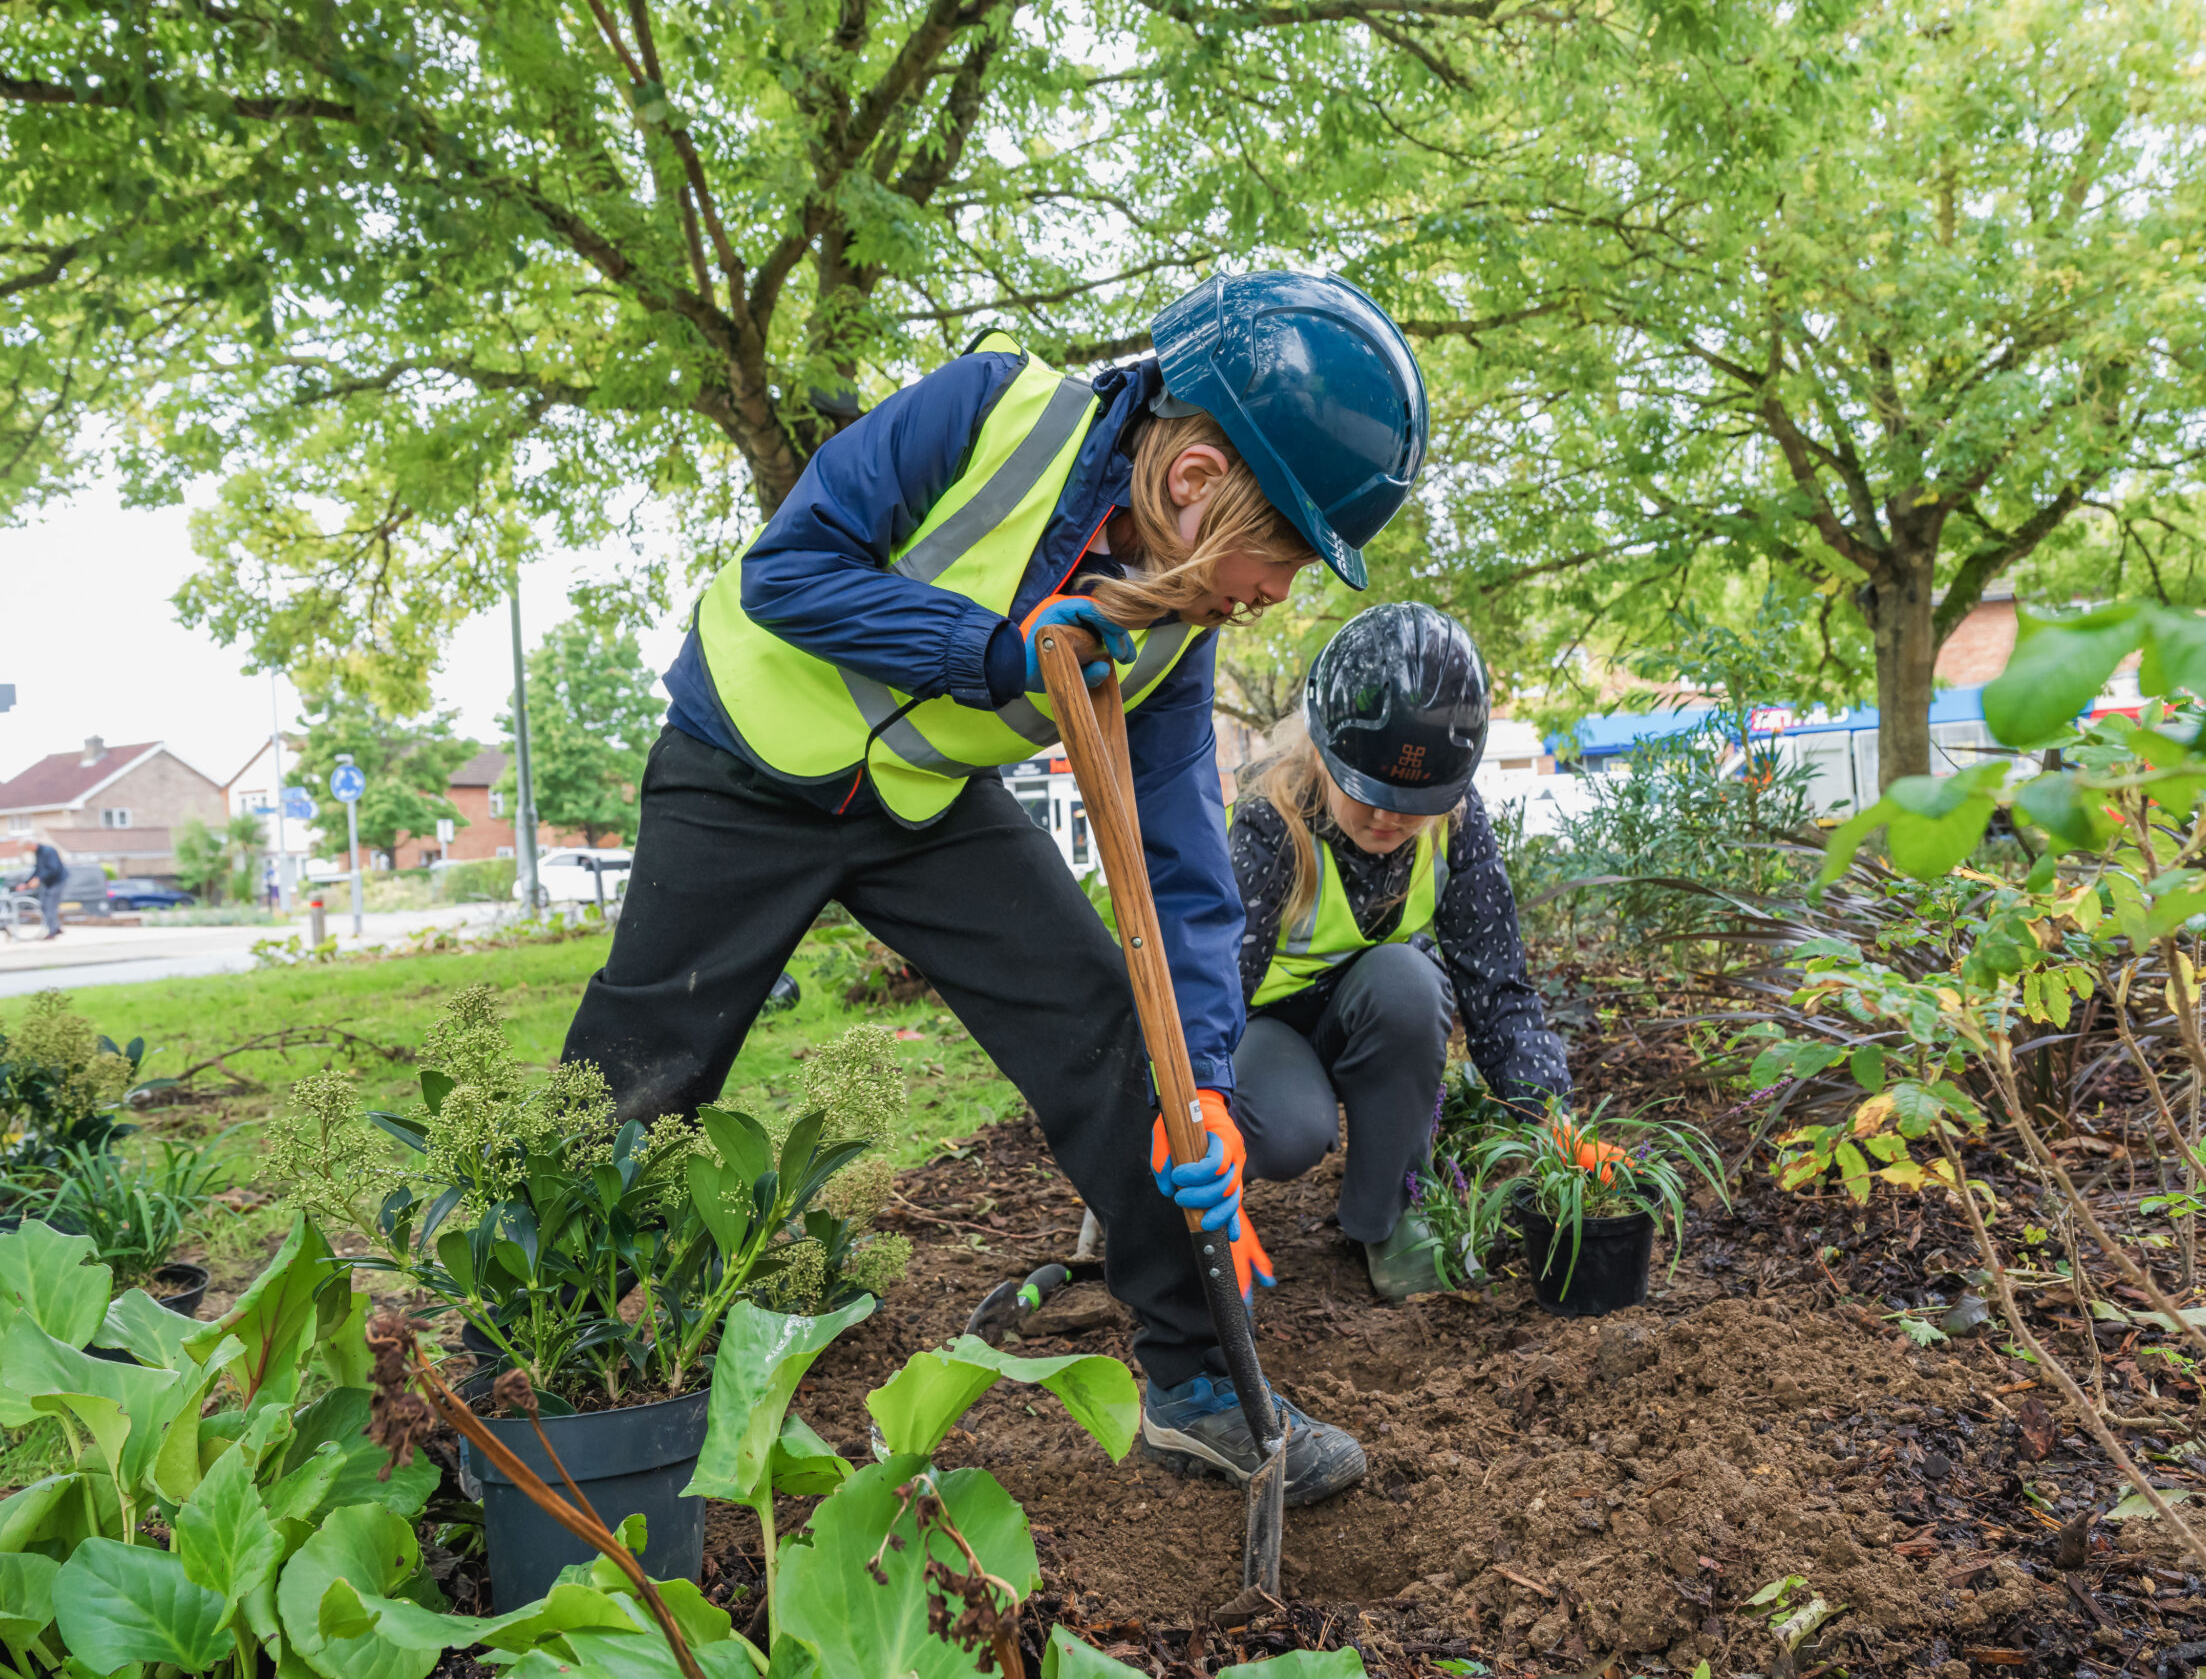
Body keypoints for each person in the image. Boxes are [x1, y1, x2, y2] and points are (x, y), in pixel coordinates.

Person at [561, 272, 1428, 1504]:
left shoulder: (1180, 627)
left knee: (1118, 1039)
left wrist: (1214, 1086)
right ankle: (526, 1356)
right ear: (1194, 486)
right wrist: (990, 651)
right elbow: (786, 574)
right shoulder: (988, 408)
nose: (1280, 592)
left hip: (919, 807)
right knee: (637, 1064)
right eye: (1282, 554)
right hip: (741, 763)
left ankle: (1195, 1386)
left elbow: (1183, 876)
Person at [1221, 604, 1615, 1299]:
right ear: (1321, 751)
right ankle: (1167, 1200)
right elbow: (1212, 990)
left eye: (1414, 800)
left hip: (1372, 1020)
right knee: (1288, 1132)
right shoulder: (1270, 824)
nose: (1387, 818)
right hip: (1263, 1028)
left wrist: (1554, 1120)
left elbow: (1498, 988)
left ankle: (1388, 1218)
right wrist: (1189, 1133)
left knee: (1408, 979)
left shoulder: (1457, 827)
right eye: (1367, 792)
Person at [26, 840, 68, 940]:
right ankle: (56, 927)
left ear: (31, 844)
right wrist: (27, 882)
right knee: (45, 905)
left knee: (49, 906)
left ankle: (52, 931)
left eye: (26, 848)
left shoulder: (48, 851)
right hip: (49, 883)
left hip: (57, 881)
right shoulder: (38, 853)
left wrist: (38, 878)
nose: (27, 851)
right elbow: (38, 870)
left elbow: (52, 868)